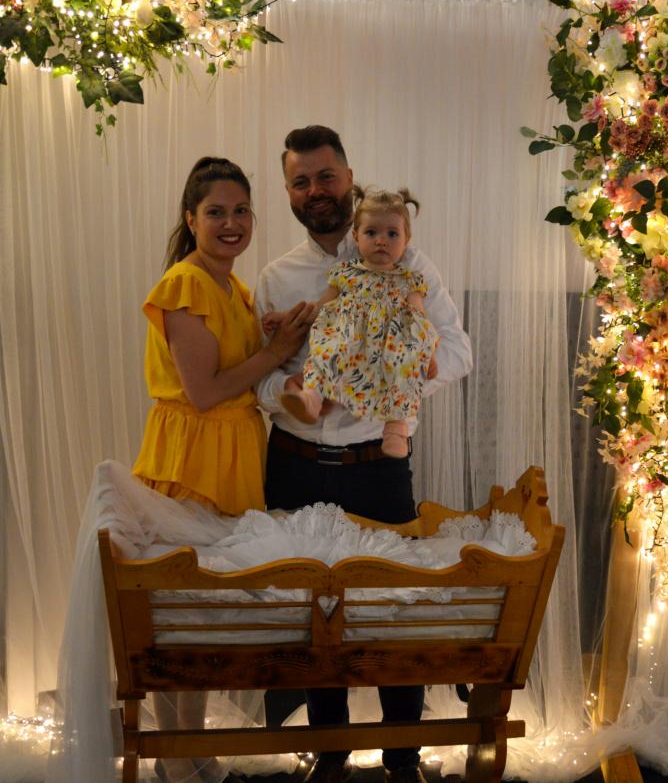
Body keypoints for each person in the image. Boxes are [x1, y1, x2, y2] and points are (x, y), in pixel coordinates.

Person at [255, 127, 473, 783]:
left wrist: (382, 384)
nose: (315, 191)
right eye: (301, 181)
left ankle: (403, 757)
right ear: (288, 191)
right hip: (294, 463)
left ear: (349, 178)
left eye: (326, 176)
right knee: (315, 614)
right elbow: (260, 373)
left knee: (393, 608)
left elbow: (457, 353)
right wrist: (288, 392)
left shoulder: (409, 263)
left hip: (377, 463)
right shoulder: (277, 277)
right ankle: (330, 756)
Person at [132, 156, 312, 782]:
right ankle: (175, 760)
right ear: (191, 219)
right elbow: (205, 392)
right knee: (180, 615)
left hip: (232, 454)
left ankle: (192, 751)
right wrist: (276, 350)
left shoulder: (233, 287)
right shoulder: (185, 284)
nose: (231, 223)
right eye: (216, 212)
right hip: (194, 455)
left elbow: (243, 368)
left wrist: (277, 337)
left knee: (204, 617)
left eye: (241, 211)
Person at [264, 186, 437, 458]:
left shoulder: (409, 279)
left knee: (403, 365)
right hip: (348, 339)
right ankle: (312, 399)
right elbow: (318, 308)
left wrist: (427, 354)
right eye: (371, 233)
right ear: (356, 237)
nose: (381, 241)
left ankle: (395, 427)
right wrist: (286, 316)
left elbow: (420, 319)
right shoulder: (345, 273)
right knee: (326, 351)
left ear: (406, 239)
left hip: (390, 345)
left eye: (392, 234)